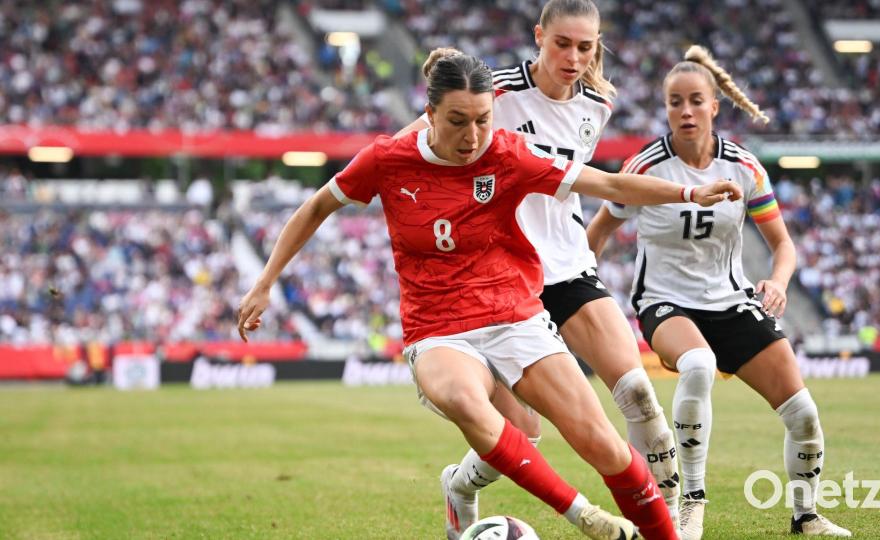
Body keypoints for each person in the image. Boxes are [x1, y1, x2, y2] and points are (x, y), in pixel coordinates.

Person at [238, 51, 741, 539]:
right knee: (462, 397)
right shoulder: (388, 159)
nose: (473, 135)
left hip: (516, 318)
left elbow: (609, 183)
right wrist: (264, 283)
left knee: (602, 445)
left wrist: (689, 192)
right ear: (429, 114)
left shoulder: (507, 153)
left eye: (483, 119)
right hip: (437, 329)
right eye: (458, 120)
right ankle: (582, 515)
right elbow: (316, 207)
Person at [396, 2, 684, 536]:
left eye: (585, 46)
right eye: (562, 44)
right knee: (524, 432)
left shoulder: (597, 106)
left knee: (639, 393)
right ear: (538, 37)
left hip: (569, 267)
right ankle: (460, 485)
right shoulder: (496, 92)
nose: (573, 57)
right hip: (503, 276)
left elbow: (581, 187)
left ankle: (675, 522)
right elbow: (413, 145)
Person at [586, 45, 852, 539]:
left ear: (715, 105)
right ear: (665, 108)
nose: (685, 111)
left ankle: (806, 516)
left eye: (695, 101)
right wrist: (580, 298)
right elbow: (596, 236)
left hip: (731, 301)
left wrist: (778, 279)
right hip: (664, 302)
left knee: (805, 416)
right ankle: (691, 499)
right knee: (698, 364)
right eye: (674, 102)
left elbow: (783, 245)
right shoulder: (644, 166)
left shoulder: (745, 167)